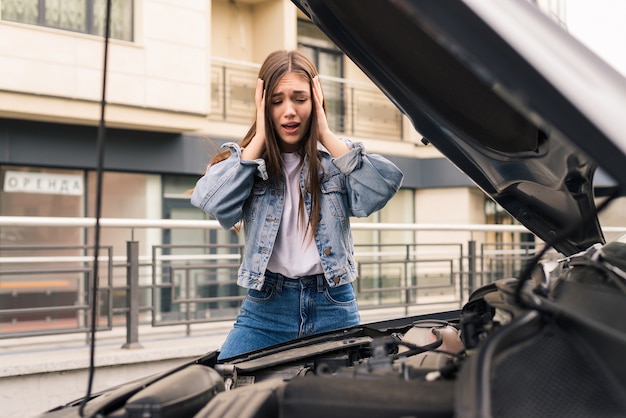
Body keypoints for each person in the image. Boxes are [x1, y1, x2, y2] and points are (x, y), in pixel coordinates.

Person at [191, 50, 403, 359]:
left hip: (333, 304)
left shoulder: (336, 160)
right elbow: (212, 202)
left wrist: (326, 134)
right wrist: (259, 138)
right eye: (276, 101)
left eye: (299, 99)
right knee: (228, 390)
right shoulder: (250, 164)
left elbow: (380, 189)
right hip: (266, 308)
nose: (289, 111)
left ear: (315, 102)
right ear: (263, 106)